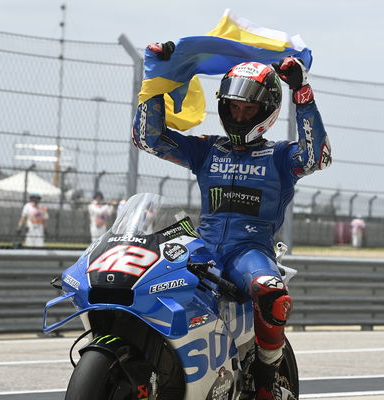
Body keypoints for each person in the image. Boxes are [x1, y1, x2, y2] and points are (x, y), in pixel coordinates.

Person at [132, 42, 331, 400]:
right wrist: (154, 77)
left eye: (248, 109)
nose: (239, 116)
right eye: (233, 108)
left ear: (266, 111)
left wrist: (302, 91)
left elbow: (318, 157)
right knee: (146, 283)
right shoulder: (207, 148)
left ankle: (267, 378)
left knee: (271, 291)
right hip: (201, 248)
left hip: (249, 253)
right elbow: (147, 138)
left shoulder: (282, 156)